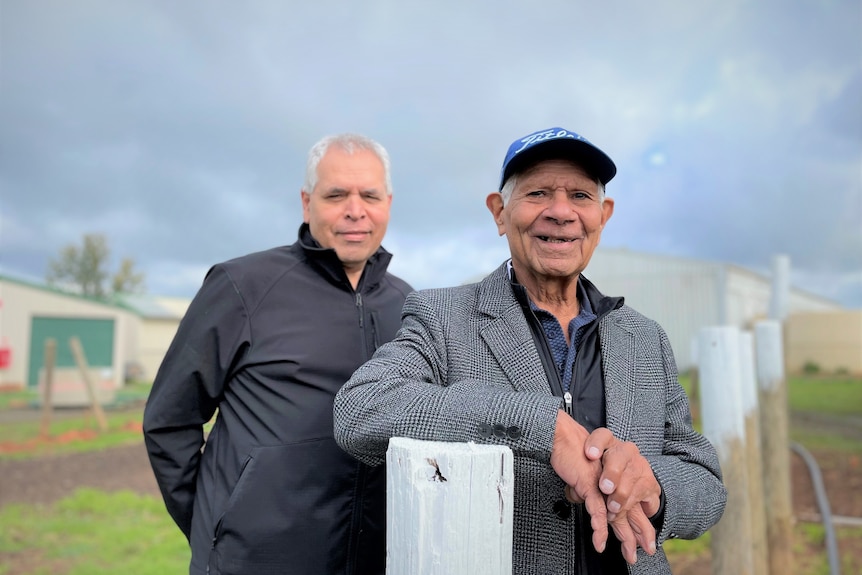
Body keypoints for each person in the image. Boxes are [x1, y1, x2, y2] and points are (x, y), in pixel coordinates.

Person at [333, 127, 727, 574]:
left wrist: (654, 485)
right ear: (500, 213)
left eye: (580, 195)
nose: (561, 212)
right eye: (538, 193)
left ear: (604, 214)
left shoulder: (644, 337)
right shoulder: (442, 317)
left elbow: (706, 483)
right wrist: (545, 427)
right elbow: (359, 409)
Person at [143, 133, 413, 575]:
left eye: (369, 195)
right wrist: (217, 529)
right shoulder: (242, 286)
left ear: (388, 202)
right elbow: (169, 420)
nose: (355, 210)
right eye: (336, 195)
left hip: (372, 561)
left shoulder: (409, 306)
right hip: (255, 560)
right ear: (307, 203)